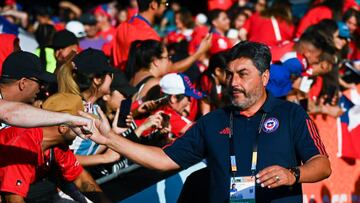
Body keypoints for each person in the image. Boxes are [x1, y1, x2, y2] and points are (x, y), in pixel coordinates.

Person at [86, 41, 331, 203]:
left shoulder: (291, 114)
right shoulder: (213, 122)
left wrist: (293, 174)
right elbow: (163, 160)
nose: (233, 82)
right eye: (229, 74)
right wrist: (110, 139)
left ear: (265, 76)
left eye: (243, 74)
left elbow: (322, 164)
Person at [0, 93, 110, 203]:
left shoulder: (56, 143)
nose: (85, 131)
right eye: (81, 125)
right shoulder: (23, 144)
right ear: (63, 127)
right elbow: (13, 200)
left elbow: (81, 179)